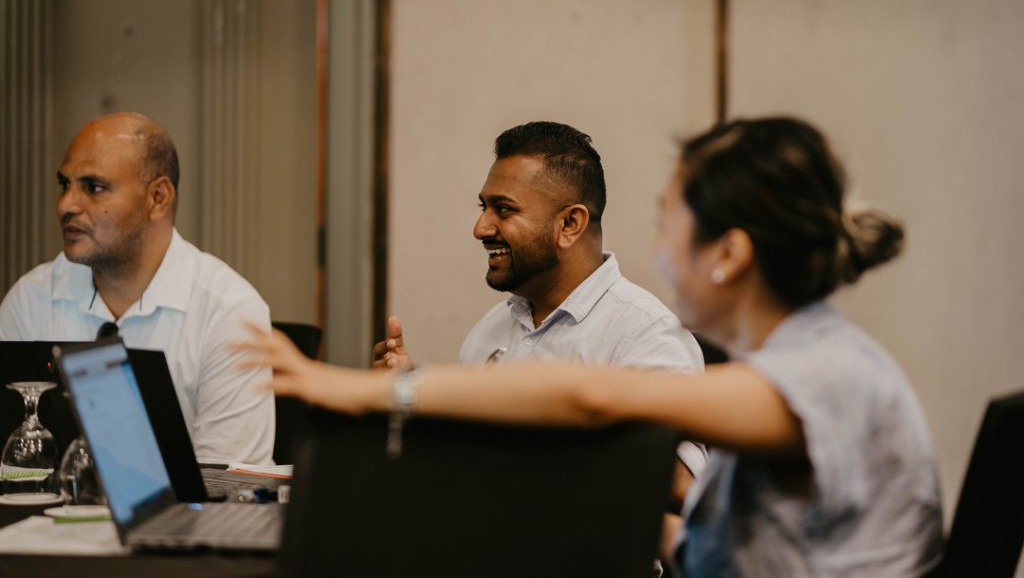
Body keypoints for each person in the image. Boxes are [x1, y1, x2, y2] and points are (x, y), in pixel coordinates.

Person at [236, 116, 944, 577]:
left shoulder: (829, 375)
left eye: (670, 225)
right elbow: (692, 543)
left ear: (727, 253)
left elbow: (597, 398)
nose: (659, 251)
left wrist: (369, 388)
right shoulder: (801, 361)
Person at [372, 121, 706, 478]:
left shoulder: (645, 334)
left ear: (570, 225)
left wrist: (529, 413)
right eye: (483, 207)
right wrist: (416, 406)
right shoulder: (490, 330)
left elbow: (683, 485)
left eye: (504, 210)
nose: (481, 228)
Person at [0, 112, 274, 464]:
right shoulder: (31, 299)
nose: (65, 205)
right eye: (64, 185)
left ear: (157, 198)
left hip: (186, 519)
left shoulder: (229, 312)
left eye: (93, 187)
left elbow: (227, 493)